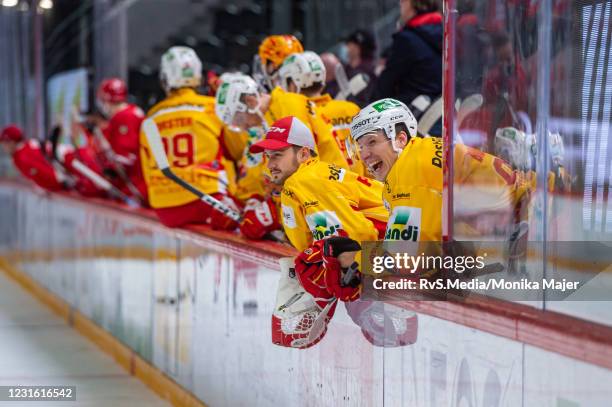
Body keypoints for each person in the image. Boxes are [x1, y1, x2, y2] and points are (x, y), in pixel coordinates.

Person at [349, 98, 534, 243]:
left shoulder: (409, 171)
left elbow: (409, 258)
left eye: (372, 142)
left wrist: (356, 263)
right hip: (529, 213)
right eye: (360, 147)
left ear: (400, 139)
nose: (364, 155)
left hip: (535, 217)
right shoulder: (420, 153)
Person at [215, 74, 348, 240]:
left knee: (354, 254)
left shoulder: (287, 104)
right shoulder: (260, 125)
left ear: (250, 102)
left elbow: (302, 167)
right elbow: (258, 172)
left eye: (239, 119)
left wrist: (273, 212)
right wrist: (248, 201)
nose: (242, 127)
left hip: (329, 198)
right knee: (321, 256)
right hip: (310, 203)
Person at [139, 46, 238, 229]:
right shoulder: (212, 107)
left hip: (166, 209)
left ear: (164, 79)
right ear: (198, 76)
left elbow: (146, 171)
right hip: (210, 201)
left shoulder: (150, 119)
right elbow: (237, 151)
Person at [278, 51, 367, 176]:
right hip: (361, 188)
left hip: (326, 190)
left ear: (294, 82)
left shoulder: (301, 115)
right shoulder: (351, 108)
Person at [373, 0, 443, 134]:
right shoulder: (446, 32)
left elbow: (386, 82)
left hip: (411, 120)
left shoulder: (407, 39)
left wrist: (370, 110)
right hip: (440, 119)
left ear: (414, 4)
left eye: (403, 1)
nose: (400, 4)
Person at [96, 78, 147, 204]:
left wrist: (108, 170)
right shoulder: (132, 112)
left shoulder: (124, 117)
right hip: (141, 183)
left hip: (135, 187)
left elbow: (126, 157)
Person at [0, 125, 64, 192]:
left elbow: (50, 175)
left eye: (4, 142)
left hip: (66, 169)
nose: (3, 146)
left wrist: (48, 187)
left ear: (12, 142)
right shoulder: (24, 150)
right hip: (64, 166)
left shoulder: (22, 156)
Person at [343, 29, 377, 107]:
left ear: (357, 48)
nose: (346, 47)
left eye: (349, 44)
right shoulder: (346, 69)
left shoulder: (369, 71)